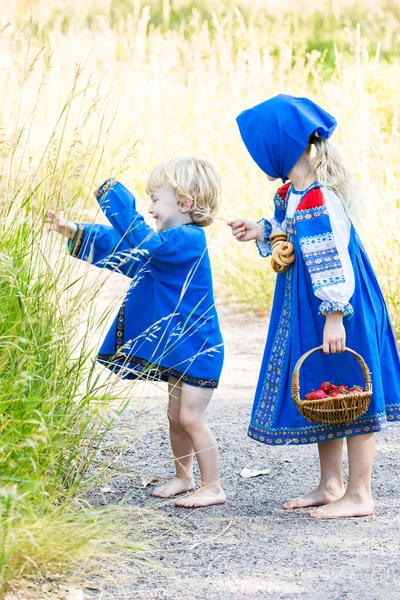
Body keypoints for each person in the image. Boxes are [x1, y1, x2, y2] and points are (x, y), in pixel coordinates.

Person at [228, 94, 400, 519]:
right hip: (320, 305)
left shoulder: (317, 198)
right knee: (328, 386)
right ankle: (331, 484)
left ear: (279, 148)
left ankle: (360, 494)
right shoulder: (298, 194)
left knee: (356, 392)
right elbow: (296, 235)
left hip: (341, 306)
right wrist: (263, 230)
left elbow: (331, 259)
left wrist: (335, 315)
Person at [45, 156, 226, 508]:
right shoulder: (164, 246)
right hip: (181, 350)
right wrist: (76, 232)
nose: (150, 208)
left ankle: (213, 485)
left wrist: (113, 196)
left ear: (185, 202)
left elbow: (141, 242)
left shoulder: (188, 240)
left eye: (156, 200)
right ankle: (184, 476)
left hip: (199, 350)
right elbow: (126, 250)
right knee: (175, 417)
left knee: (190, 417)